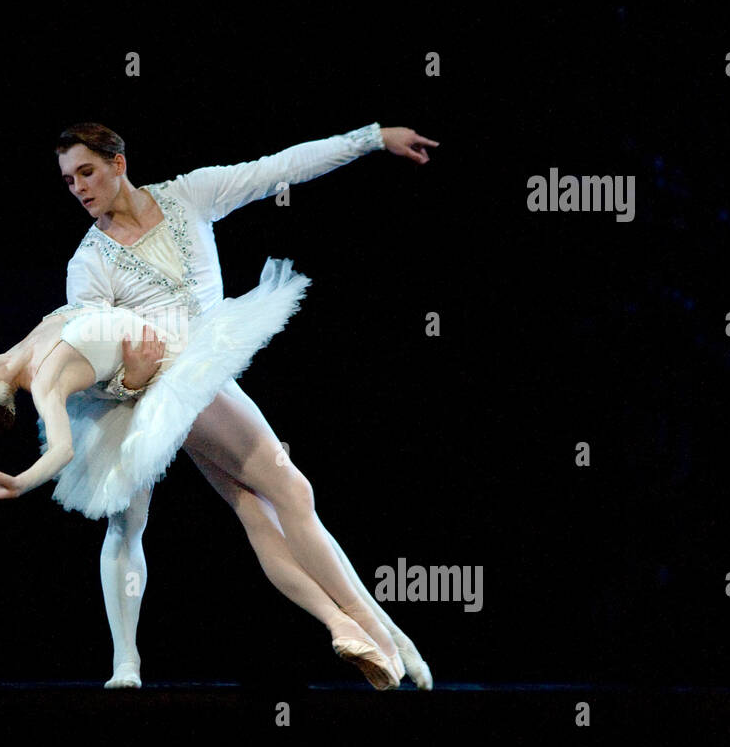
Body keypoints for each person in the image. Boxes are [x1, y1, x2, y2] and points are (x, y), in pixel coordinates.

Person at [42, 119, 441, 691]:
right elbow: (85, 353)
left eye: (87, 172)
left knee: (258, 509)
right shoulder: (89, 265)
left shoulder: (188, 195)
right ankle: (381, 634)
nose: (79, 188)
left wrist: (371, 139)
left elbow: (277, 168)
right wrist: (128, 382)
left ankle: (353, 629)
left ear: (118, 164)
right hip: (160, 392)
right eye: (68, 181)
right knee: (284, 493)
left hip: (201, 383)